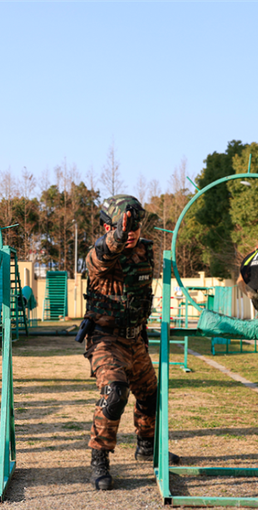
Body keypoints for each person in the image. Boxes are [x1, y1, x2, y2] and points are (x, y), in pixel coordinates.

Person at [81, 194, 179, 491]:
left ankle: (146, 446)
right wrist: (118, 236)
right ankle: (100, 457)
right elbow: (102, 254)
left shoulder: (145, 251)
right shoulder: (98, 254)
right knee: (115, 393)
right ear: (106, 226)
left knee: (150, 395)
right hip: (105, 339)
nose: (131, 232)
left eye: (136, 226)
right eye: (124, 226)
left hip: (135, 338)